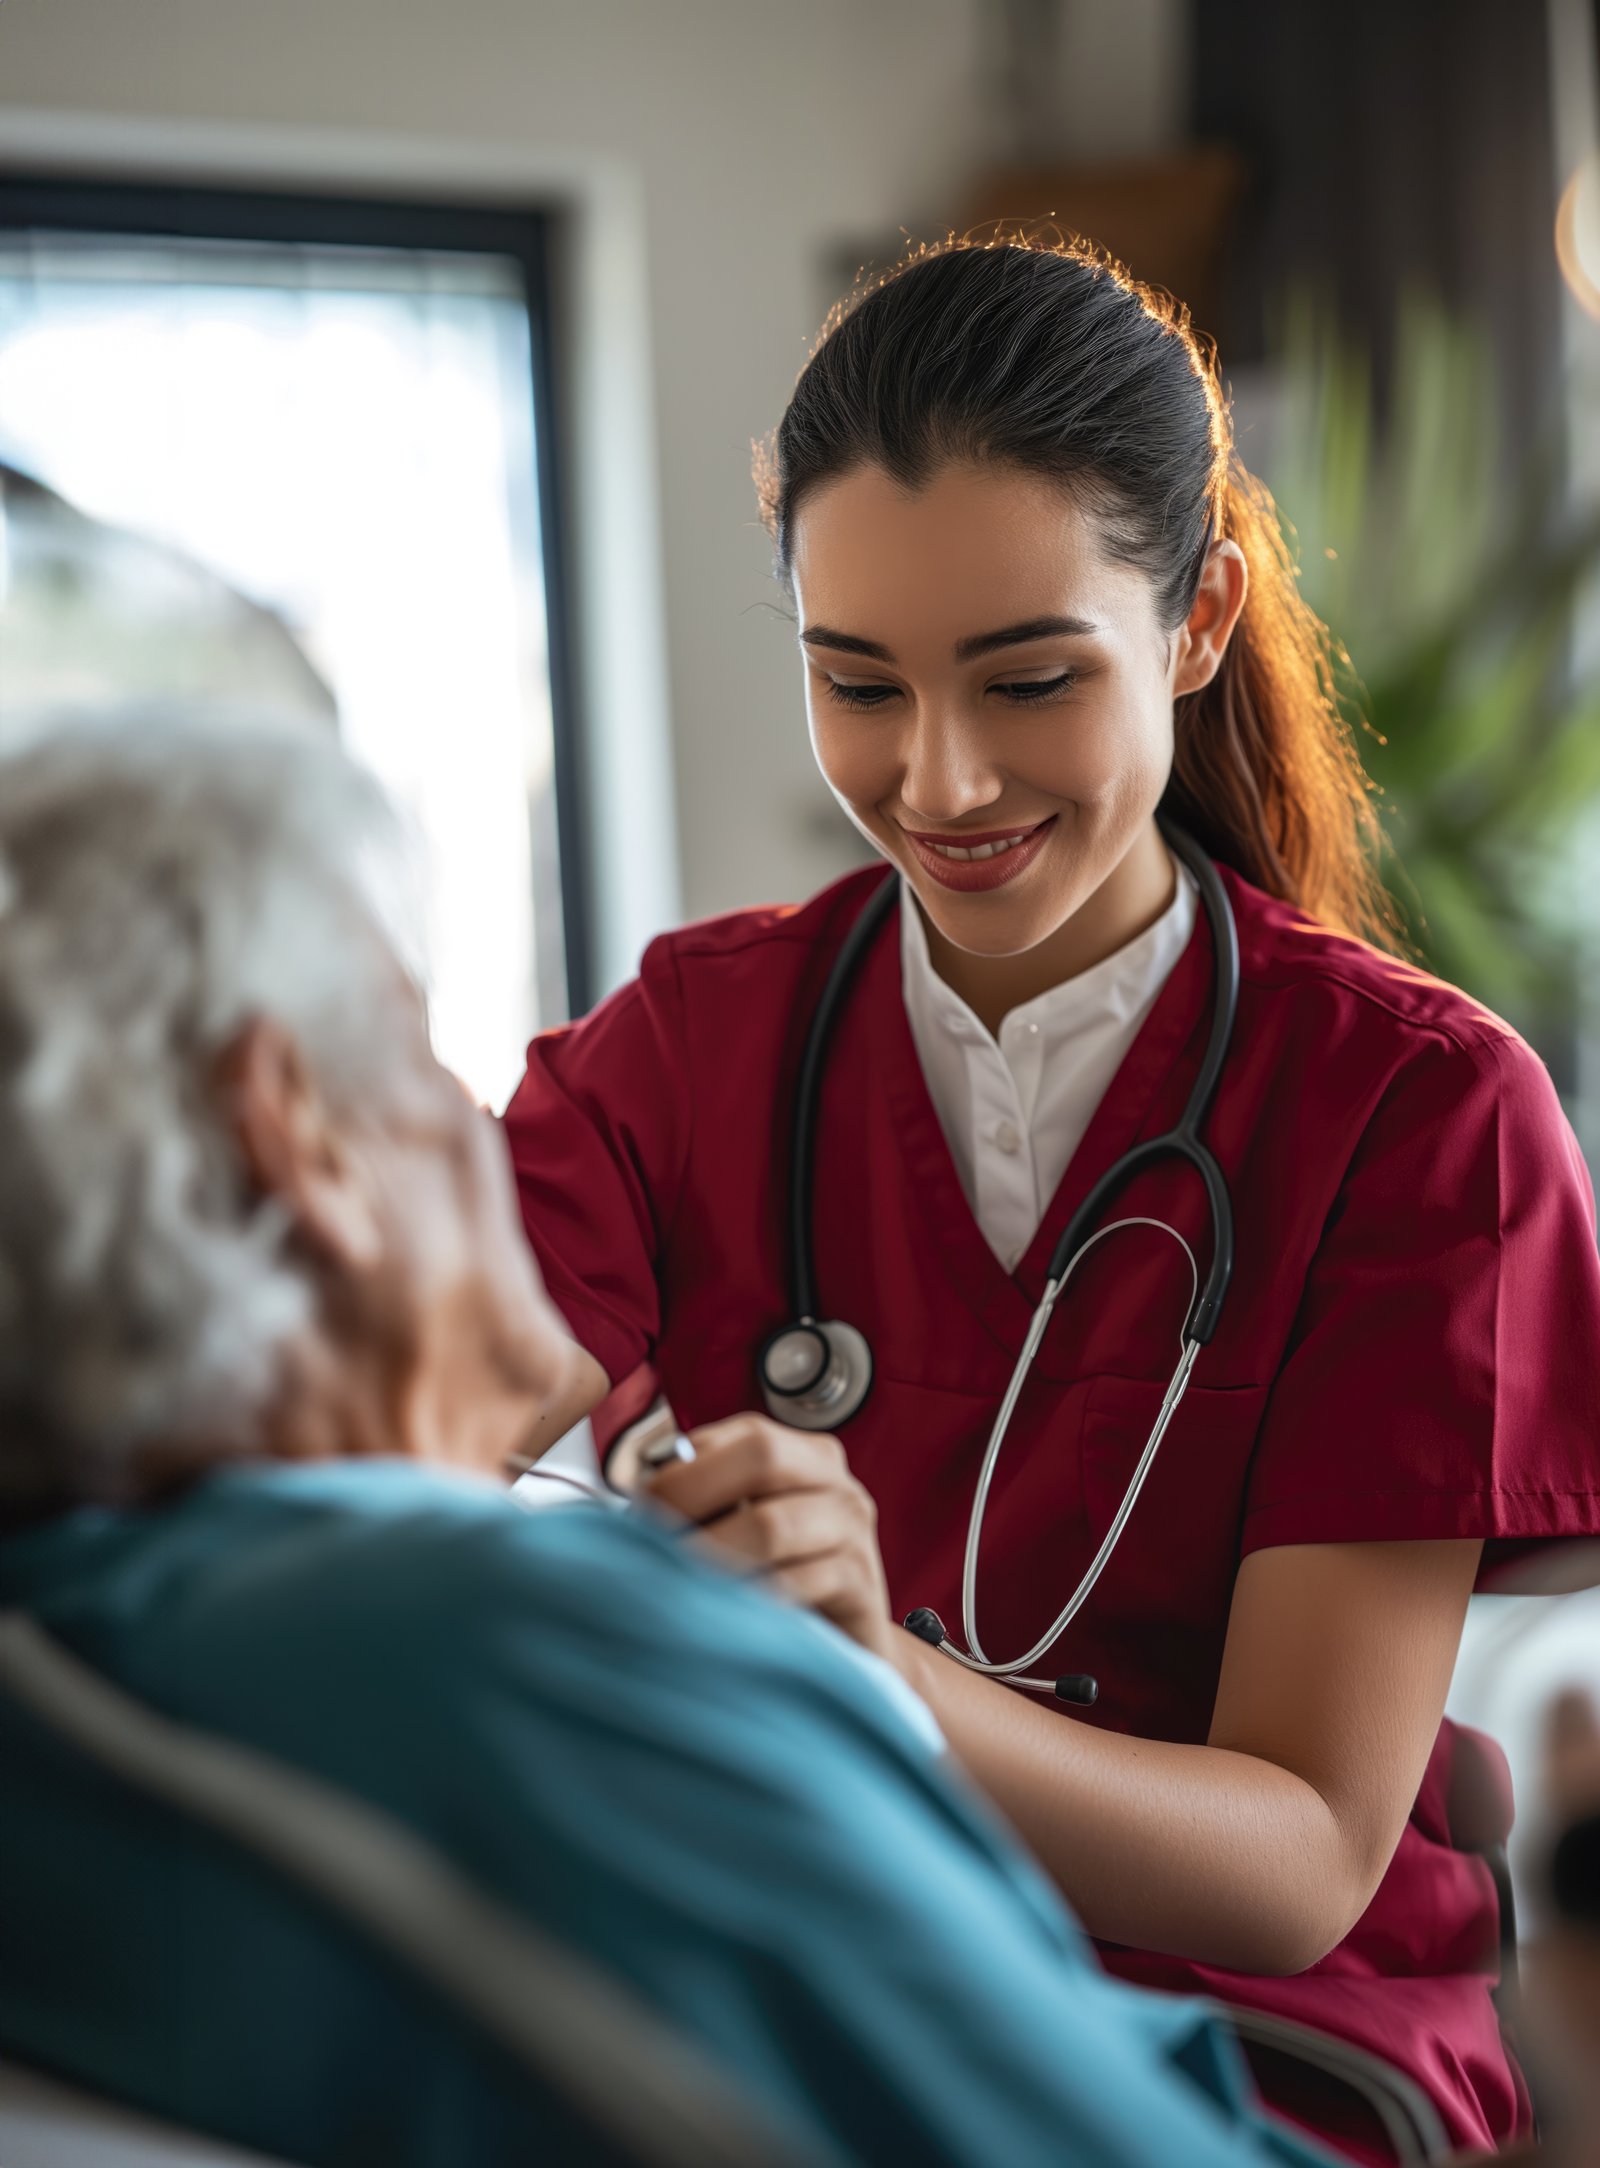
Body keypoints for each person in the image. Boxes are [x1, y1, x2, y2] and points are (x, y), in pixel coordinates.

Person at [504, 239, 1600, 2164]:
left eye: (1029, 680)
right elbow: (391, 1422)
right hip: (810, 2002)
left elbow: (1299, 1864)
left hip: (1256, 2067)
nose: (939, 779)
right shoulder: (688, 1051)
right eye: (857, 683)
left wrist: (868, 1679)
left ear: (1196, 623)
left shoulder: (1422, 1120)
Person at [0, 711, 1342, 2168]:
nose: (476, 1111)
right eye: (409, 1045)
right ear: (301, 1141)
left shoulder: (75, 1666)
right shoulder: (542, 1663)